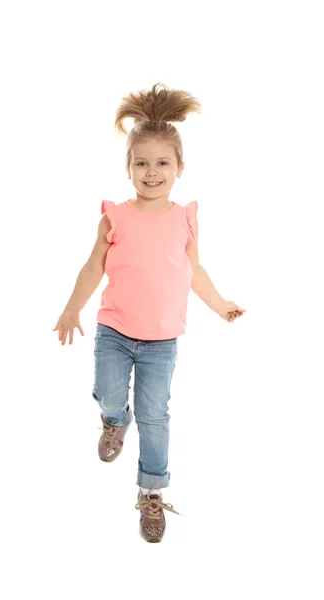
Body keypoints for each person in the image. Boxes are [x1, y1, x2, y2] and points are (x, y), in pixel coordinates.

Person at [52, 82, 246, 543]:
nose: (152, 171)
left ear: (179, 167)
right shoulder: (115, 217)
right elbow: (91, 267)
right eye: (142, 162)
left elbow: (193, 270)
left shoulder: (184, 219)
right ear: (129, 168)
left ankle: (151, 492)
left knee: (155, 414)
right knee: (110, 393)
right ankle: (114, 420)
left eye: (162, 163)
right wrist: (71, 308)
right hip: (114, 330)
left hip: (161, 341)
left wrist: (220, 306)